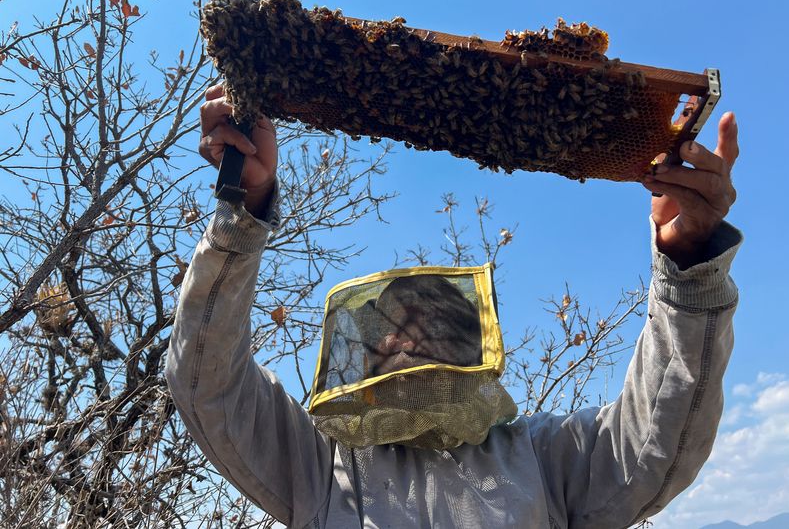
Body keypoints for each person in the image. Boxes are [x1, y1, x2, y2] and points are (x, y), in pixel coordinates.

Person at [165, 83, 742, 528]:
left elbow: (655, 444)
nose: (403, 341)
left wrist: (688, 267)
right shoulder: (321, 467)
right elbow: (208, 386)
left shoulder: (547, 456)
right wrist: (242, 209)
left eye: (428, 326)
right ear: (365, 348)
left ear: (473, 346)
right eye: (390, 329)